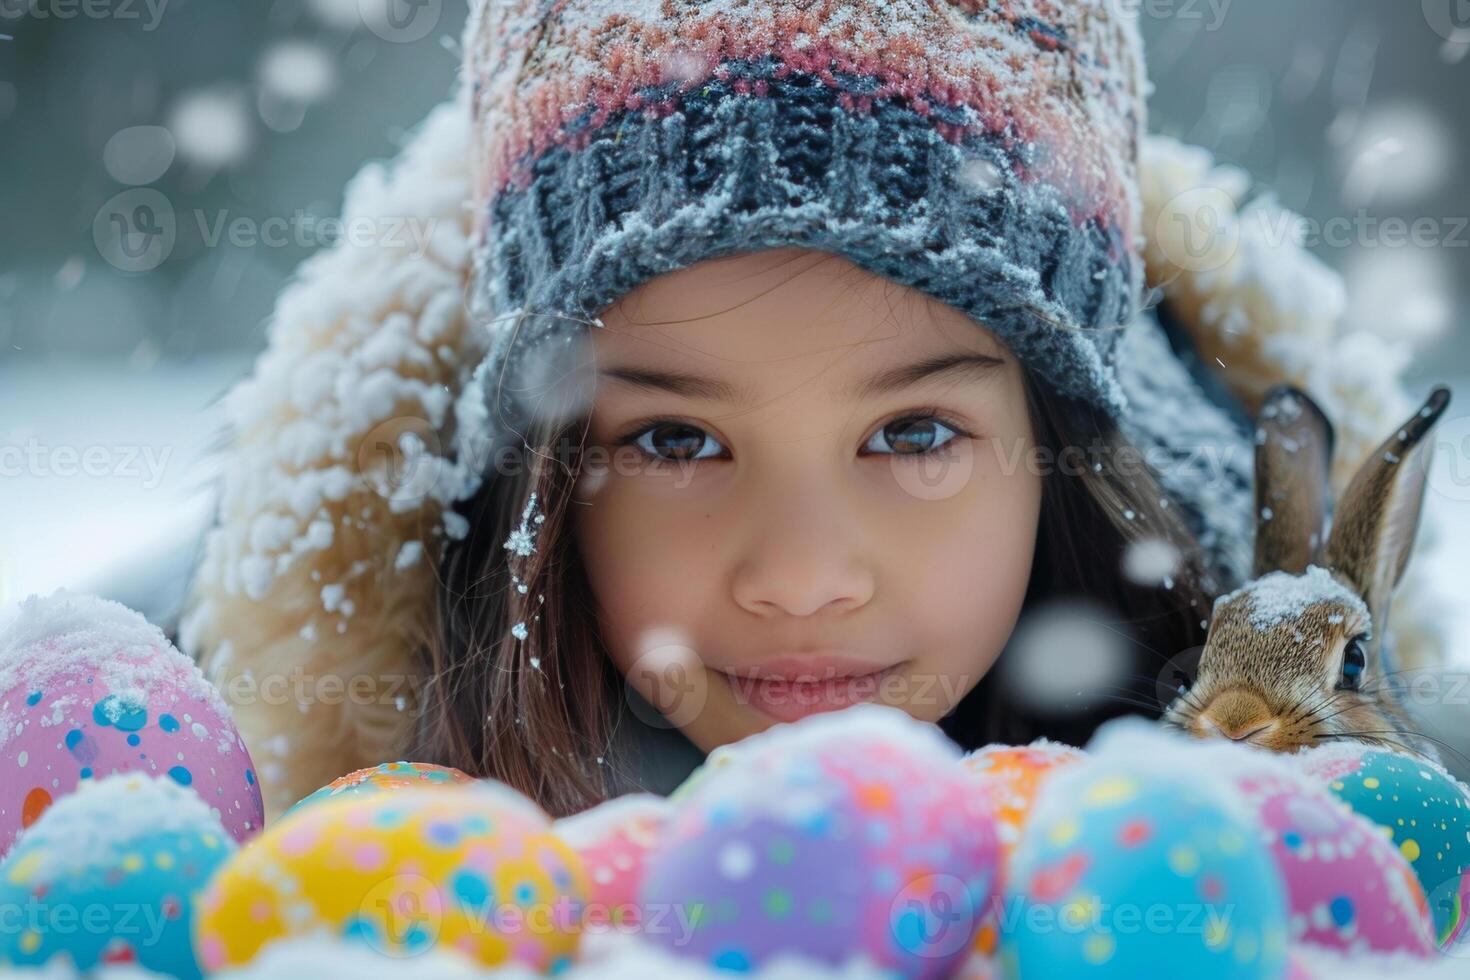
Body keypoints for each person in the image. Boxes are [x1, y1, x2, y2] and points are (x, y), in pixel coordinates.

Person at [181, 0, 1430, 823]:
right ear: (541, 468)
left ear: (1063, 451)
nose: (800, 576)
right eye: (675, 439)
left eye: (914, 433)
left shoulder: (1274, 715)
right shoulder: (256, 759)